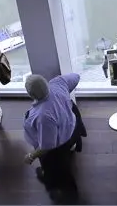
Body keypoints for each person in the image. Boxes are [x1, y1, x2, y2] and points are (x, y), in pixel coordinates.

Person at [23, 73, 87, 204]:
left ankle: (67, 194)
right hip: (73, 126)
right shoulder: (57, 84)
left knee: (56, 165)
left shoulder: (43, 116)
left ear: (31, 95)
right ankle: (50, 175)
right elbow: (76, 77)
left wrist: (31, 156)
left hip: (60, 144)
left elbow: (47, 146)